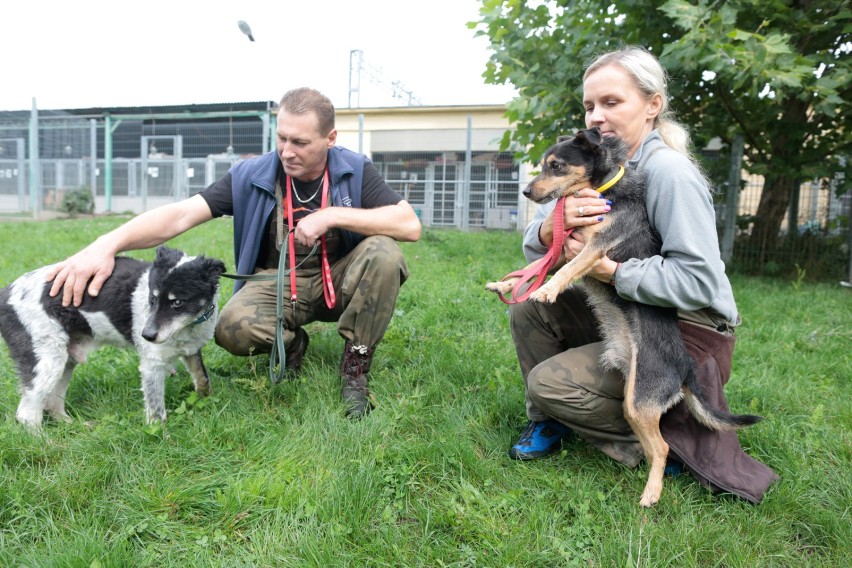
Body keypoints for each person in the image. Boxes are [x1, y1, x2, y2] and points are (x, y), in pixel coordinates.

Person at [46, 87, 422, 419]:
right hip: (277, 282)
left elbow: (409, 225)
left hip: (339, 280)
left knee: (385, 253)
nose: (287, 152)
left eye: (301, 143)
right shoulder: (252, 174)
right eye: (282, 138)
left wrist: (331, 215)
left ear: (330, 138)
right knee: (231, 331)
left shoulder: (355, 170)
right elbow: (180, 215)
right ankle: (293, 345)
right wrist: (105, 245)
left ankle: (355, 367)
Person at [506, 47, 778, 503]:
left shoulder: (667, 173)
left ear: (652, 105)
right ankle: (550, 418)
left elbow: (699, 283)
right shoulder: (595, 168)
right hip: (631, 308)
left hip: (687, 330)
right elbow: (536, 244)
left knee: (551, 383)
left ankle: (663, 440)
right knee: (529, 309)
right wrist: (559, 221)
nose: (597, 116)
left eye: (612, 103)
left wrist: (613, 271)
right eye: (590, 106)